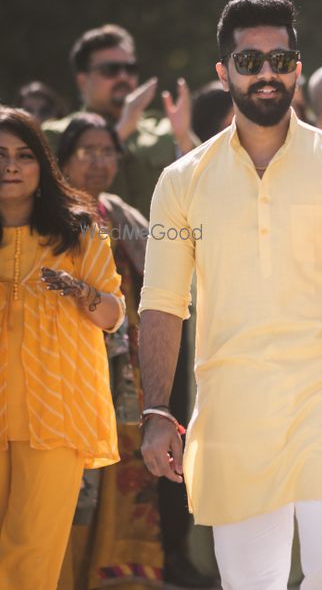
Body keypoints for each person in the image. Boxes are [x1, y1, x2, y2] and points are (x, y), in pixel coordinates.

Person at [137, 0, 322, 590]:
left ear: (298, 67)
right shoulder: (180, 182)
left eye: (279, 58)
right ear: (224, 72)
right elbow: (161, 301)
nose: (266, 72)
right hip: (234, 408)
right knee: (250, 581)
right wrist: (157, 408)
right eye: (249, 60)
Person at [0, 107, 126, 589]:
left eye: (24, 155)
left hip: (54, 412)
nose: (11, 166)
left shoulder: (79, 230)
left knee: (32, 549)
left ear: (41, 165)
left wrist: (80, 291)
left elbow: (112, 316)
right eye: (2, 155)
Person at [52, 113, 164, 588]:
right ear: (64, 159)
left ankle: (116, 573)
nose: (100, 162)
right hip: (66, 362)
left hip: (124, 366)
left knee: (125, 466)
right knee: (72, 472)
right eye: (88, 151)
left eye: (108, 152)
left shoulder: (121, 216)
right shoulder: (51, 216)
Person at [43, 25, 197, 217]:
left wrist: (184, 138)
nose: (123, 76)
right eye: (110, 70)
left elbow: (203, 187)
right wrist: (120, 131)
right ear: (83, 81)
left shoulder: (164, 129)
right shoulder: (56, 134)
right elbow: (51, 196)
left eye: (130, 69)